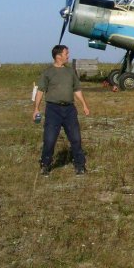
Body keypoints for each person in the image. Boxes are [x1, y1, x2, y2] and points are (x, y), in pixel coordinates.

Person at [32, 45, 90, 176]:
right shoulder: (48, 72)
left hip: (69, 110)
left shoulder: (70, 72)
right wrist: (36, 109)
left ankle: (80, 165)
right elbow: (40, 91)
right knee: (50, 139)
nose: (68, 56)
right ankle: (45, 165)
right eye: (66, 53)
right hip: (53, 110)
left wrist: (84, 105)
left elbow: (77, 90)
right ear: (58, 56)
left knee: (76, 138)